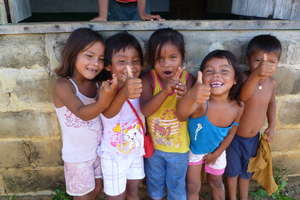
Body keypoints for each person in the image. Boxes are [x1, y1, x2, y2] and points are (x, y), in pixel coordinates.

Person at [53, 28, 118, 200]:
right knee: (84, 196)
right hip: (77, 158)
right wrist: (103, 101)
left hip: (98, 152)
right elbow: (83, 113)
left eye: (101, 59)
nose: (95, 63)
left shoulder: (98, 85)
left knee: (96, 189)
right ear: (73, 54)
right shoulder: (63, 85)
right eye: (89, 56)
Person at [177, 50, 244, 200]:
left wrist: (217, 153)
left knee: (216, 182)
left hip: (218, 151)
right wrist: (191, 95)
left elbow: (231, 133)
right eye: (209, 71)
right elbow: (181, 115)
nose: (216, 75)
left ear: (235, 79)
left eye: (224, 71)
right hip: (194, 150)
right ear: (202, 77)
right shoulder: (201, 104)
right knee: (193, 186)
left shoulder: (238, 107)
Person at [225, 34, 281, 200]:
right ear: (247, 59)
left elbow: (271, 104)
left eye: (271, 62)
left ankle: (244, 197)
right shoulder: (243, 78)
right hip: (234, 137)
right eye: (258, 61)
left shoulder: (272, 84)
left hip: (253, 139)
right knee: (232, 172)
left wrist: (272, 125)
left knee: (246, 172)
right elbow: (243, 97)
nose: (264, 67)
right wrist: (255, 76)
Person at [141, 28, 193, 200]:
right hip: (154, 149)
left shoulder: (188, 79)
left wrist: (185, 95)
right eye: (159, 59)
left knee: (176, 185)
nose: (167, 64)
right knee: (155, 182)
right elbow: (145, 111)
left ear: (182, 58)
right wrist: (164, 92)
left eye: (173, 57)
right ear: (152, 61)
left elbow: (187, 114)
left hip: (179, 149)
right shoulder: (149, 79)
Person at [97, 32, 144, 200]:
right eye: (122, 61)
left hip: (135, 151)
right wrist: (124, 92)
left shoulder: (142, 86)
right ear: (109, 66)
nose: (130, 66)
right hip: (113, 155)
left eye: (135, 61)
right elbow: (108, 114)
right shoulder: (107, 88)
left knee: (133, 191)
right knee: (116, 196)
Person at [91, 0, 162, 21]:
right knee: (116, 35)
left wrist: (143, 14)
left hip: (140, 4)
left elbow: (143, 15)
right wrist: (103, 16)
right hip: (114, 3)